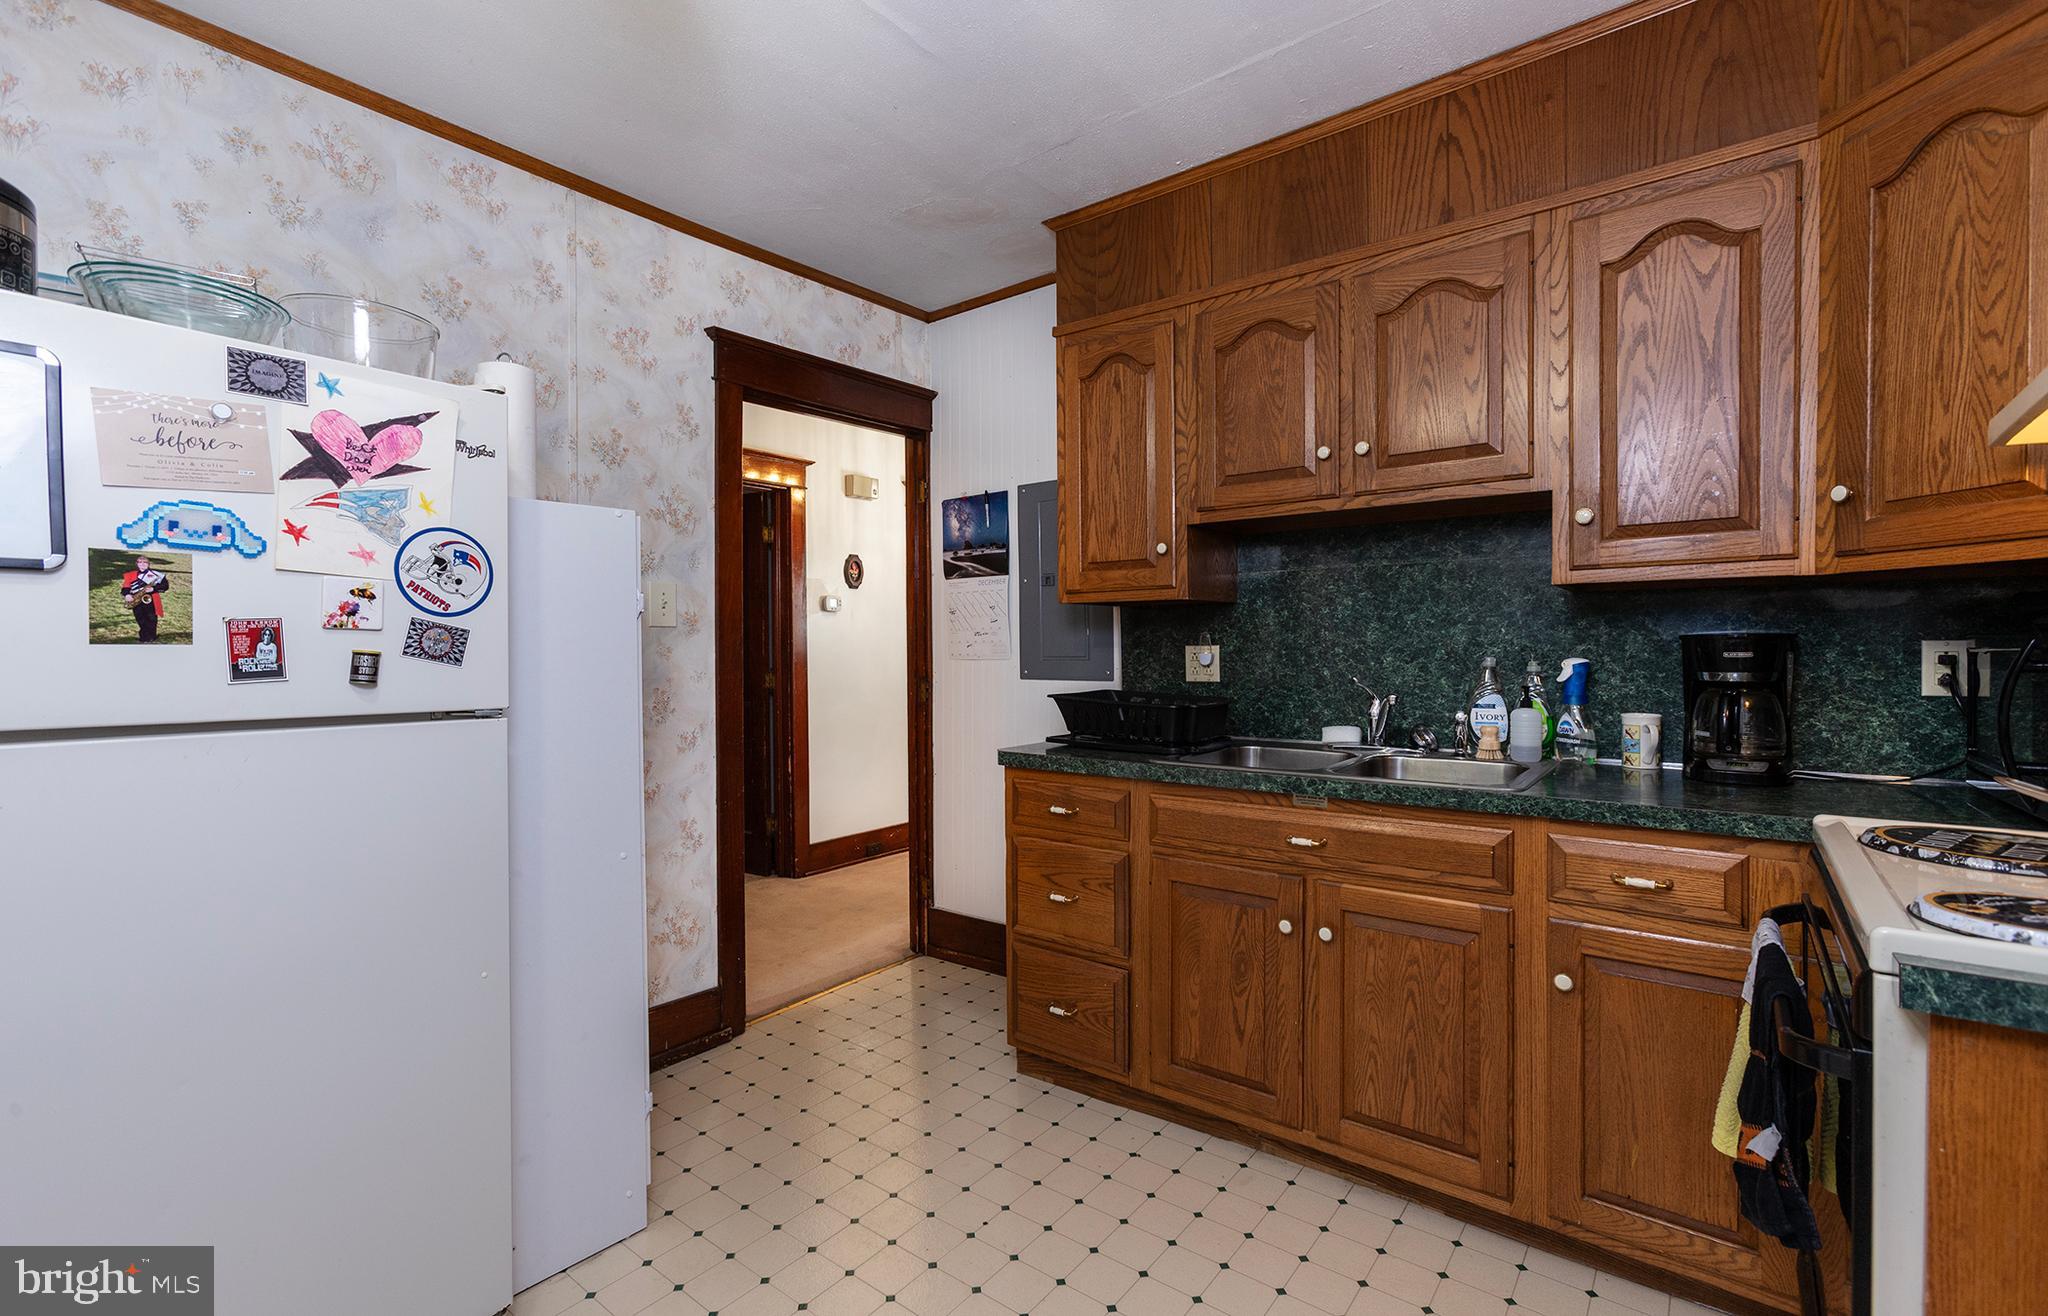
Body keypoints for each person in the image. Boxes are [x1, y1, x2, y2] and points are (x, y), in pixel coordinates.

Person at [120, 555, 171, 643]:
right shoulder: (131, 574)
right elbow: (125, 587)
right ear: (137, 564)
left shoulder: (156, 574)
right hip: (136, 599)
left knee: (151, 618)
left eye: (145, 562)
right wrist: (127, 595)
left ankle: (151, 636)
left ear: (148, 564)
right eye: (140, 562)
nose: (142, 564)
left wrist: (153, 589)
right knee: (140, 618)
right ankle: (144, 636)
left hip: (151, 599)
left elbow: (165, 586)